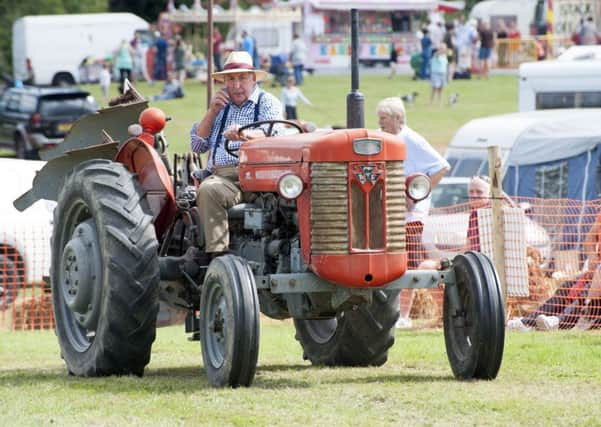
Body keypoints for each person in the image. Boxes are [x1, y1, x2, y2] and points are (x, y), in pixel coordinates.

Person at [190, 51, 283, 256]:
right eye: (231, 79)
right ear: (224, 81)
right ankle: (218, 256)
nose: (236, 85)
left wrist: (244, 134)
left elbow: (274, 133)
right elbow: (197, 146)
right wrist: (211, 112)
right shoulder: (219, 108)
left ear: (253, 78)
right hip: (225, 180)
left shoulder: (268, 103)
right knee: (209, 189)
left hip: (261, 179)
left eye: (242, 78)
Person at [376, 97, 450, 328]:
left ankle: (404, 315)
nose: (380, 123)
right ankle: (391, 310)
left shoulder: (412, 139)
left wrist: (416, 194)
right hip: (392, 214)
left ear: (398, 118)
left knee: (407, 261)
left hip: (411, 216)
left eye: (384, 119)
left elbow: (442, 166)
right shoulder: (386, 139)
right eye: (379, 119)